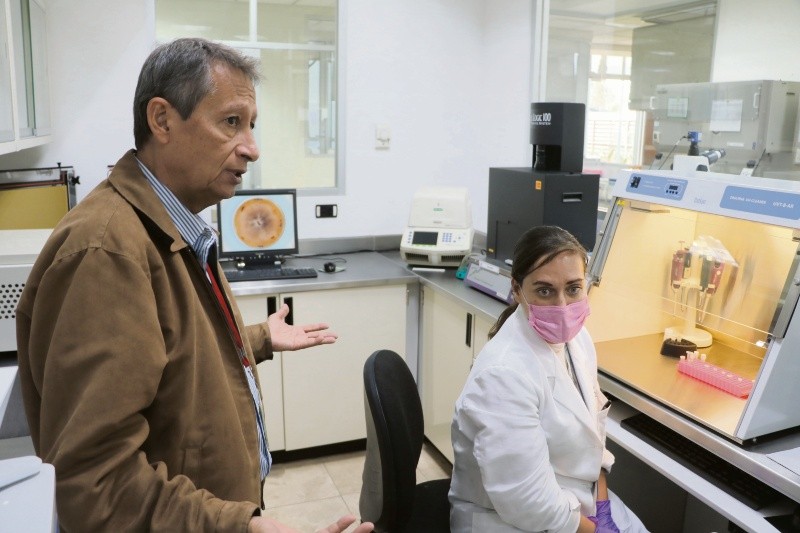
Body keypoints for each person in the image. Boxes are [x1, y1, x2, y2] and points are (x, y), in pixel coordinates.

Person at [16, 38, 373, 533]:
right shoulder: (106, 253)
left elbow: (169, 353)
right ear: (162, 120)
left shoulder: (173, 226)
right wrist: (243, 526)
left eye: (251, 125)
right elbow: (97, 484)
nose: (251, 148)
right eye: (231, 122)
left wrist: (258, 338)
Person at [449, 226, 648, 533]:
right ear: (517, 290)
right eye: (544, 291)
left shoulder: (578, 340)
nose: (563, 306)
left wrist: (603, 507)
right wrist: (595, 531)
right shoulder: (503, 374)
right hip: (511, 519)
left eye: (573, 288)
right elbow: (526, 501)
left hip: (576, 499)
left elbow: (594, 440)